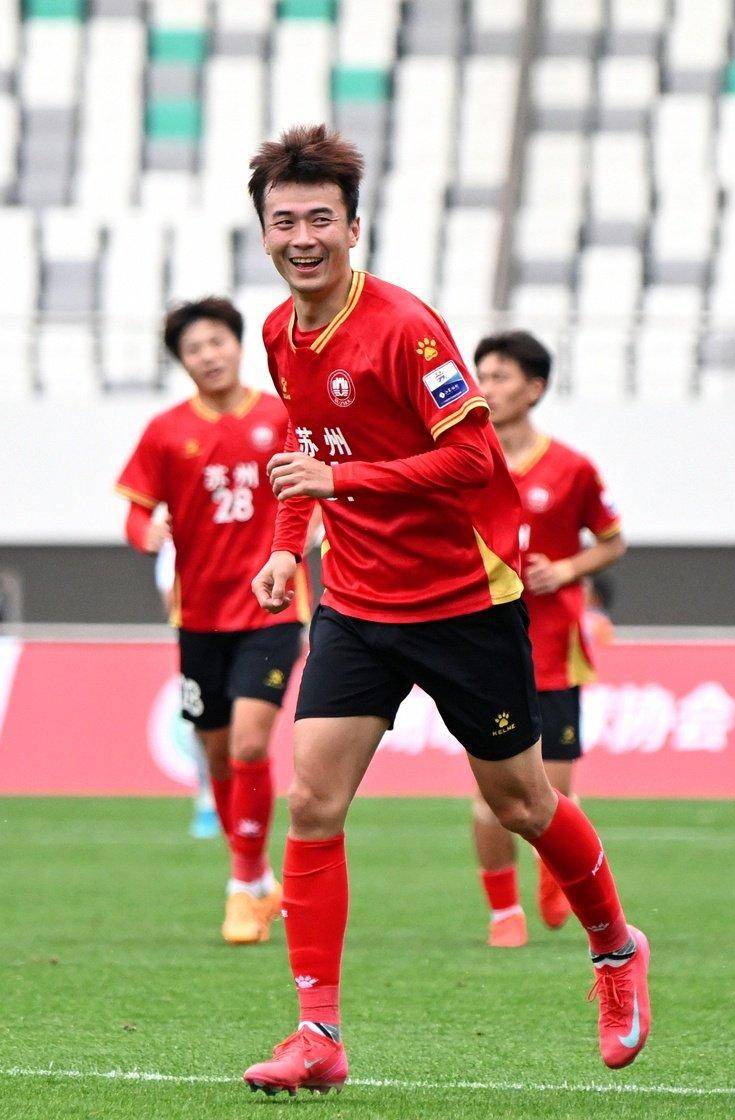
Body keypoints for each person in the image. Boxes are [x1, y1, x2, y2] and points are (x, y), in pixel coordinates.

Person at [242, 125, 650, 1096]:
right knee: (311, 801)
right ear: (264, 233)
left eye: (319, 219)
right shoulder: (277, 333)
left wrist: (341, 483)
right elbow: (306, 450)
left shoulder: (403, 329)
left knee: (520, 804)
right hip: (356, 603)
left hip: (465, 599)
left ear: (353, 228)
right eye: (283, 221)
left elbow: (471, 458)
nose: (302, 237)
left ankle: (614, 947)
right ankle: (317, 1032)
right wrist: (283, 548)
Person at [116, 297, 311, 945]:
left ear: (237, 345)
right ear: (182, 361)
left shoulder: (280, 417)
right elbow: (136, 511)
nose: (208, 355)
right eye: (194, 348)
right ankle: (258, 881)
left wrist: (307, 536)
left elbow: (318, 488)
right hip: (199, 615)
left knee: (251, 743)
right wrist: (147, 533)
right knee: (219, 755)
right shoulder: (166, 431)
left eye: (217, 342)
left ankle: (239, 885)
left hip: (272, 608)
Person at [471, 331, 627, 949]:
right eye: (481, 375)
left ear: (534, 389)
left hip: (553, 649)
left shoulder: (571, 468)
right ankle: (502, 914)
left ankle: (551, 865)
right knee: (489, 796)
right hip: (481, 648)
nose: (486, 388)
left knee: (553, 795)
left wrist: (563, 570)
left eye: (501, 377)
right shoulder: (460, 461)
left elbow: (612, 542)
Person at [155, 534, 221, 840]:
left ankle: (237, 799)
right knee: (202, 720)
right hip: (202, 636)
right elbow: (171, 597)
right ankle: (207, 796)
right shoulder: (180, 533)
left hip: (248, 633)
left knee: (246, 726)